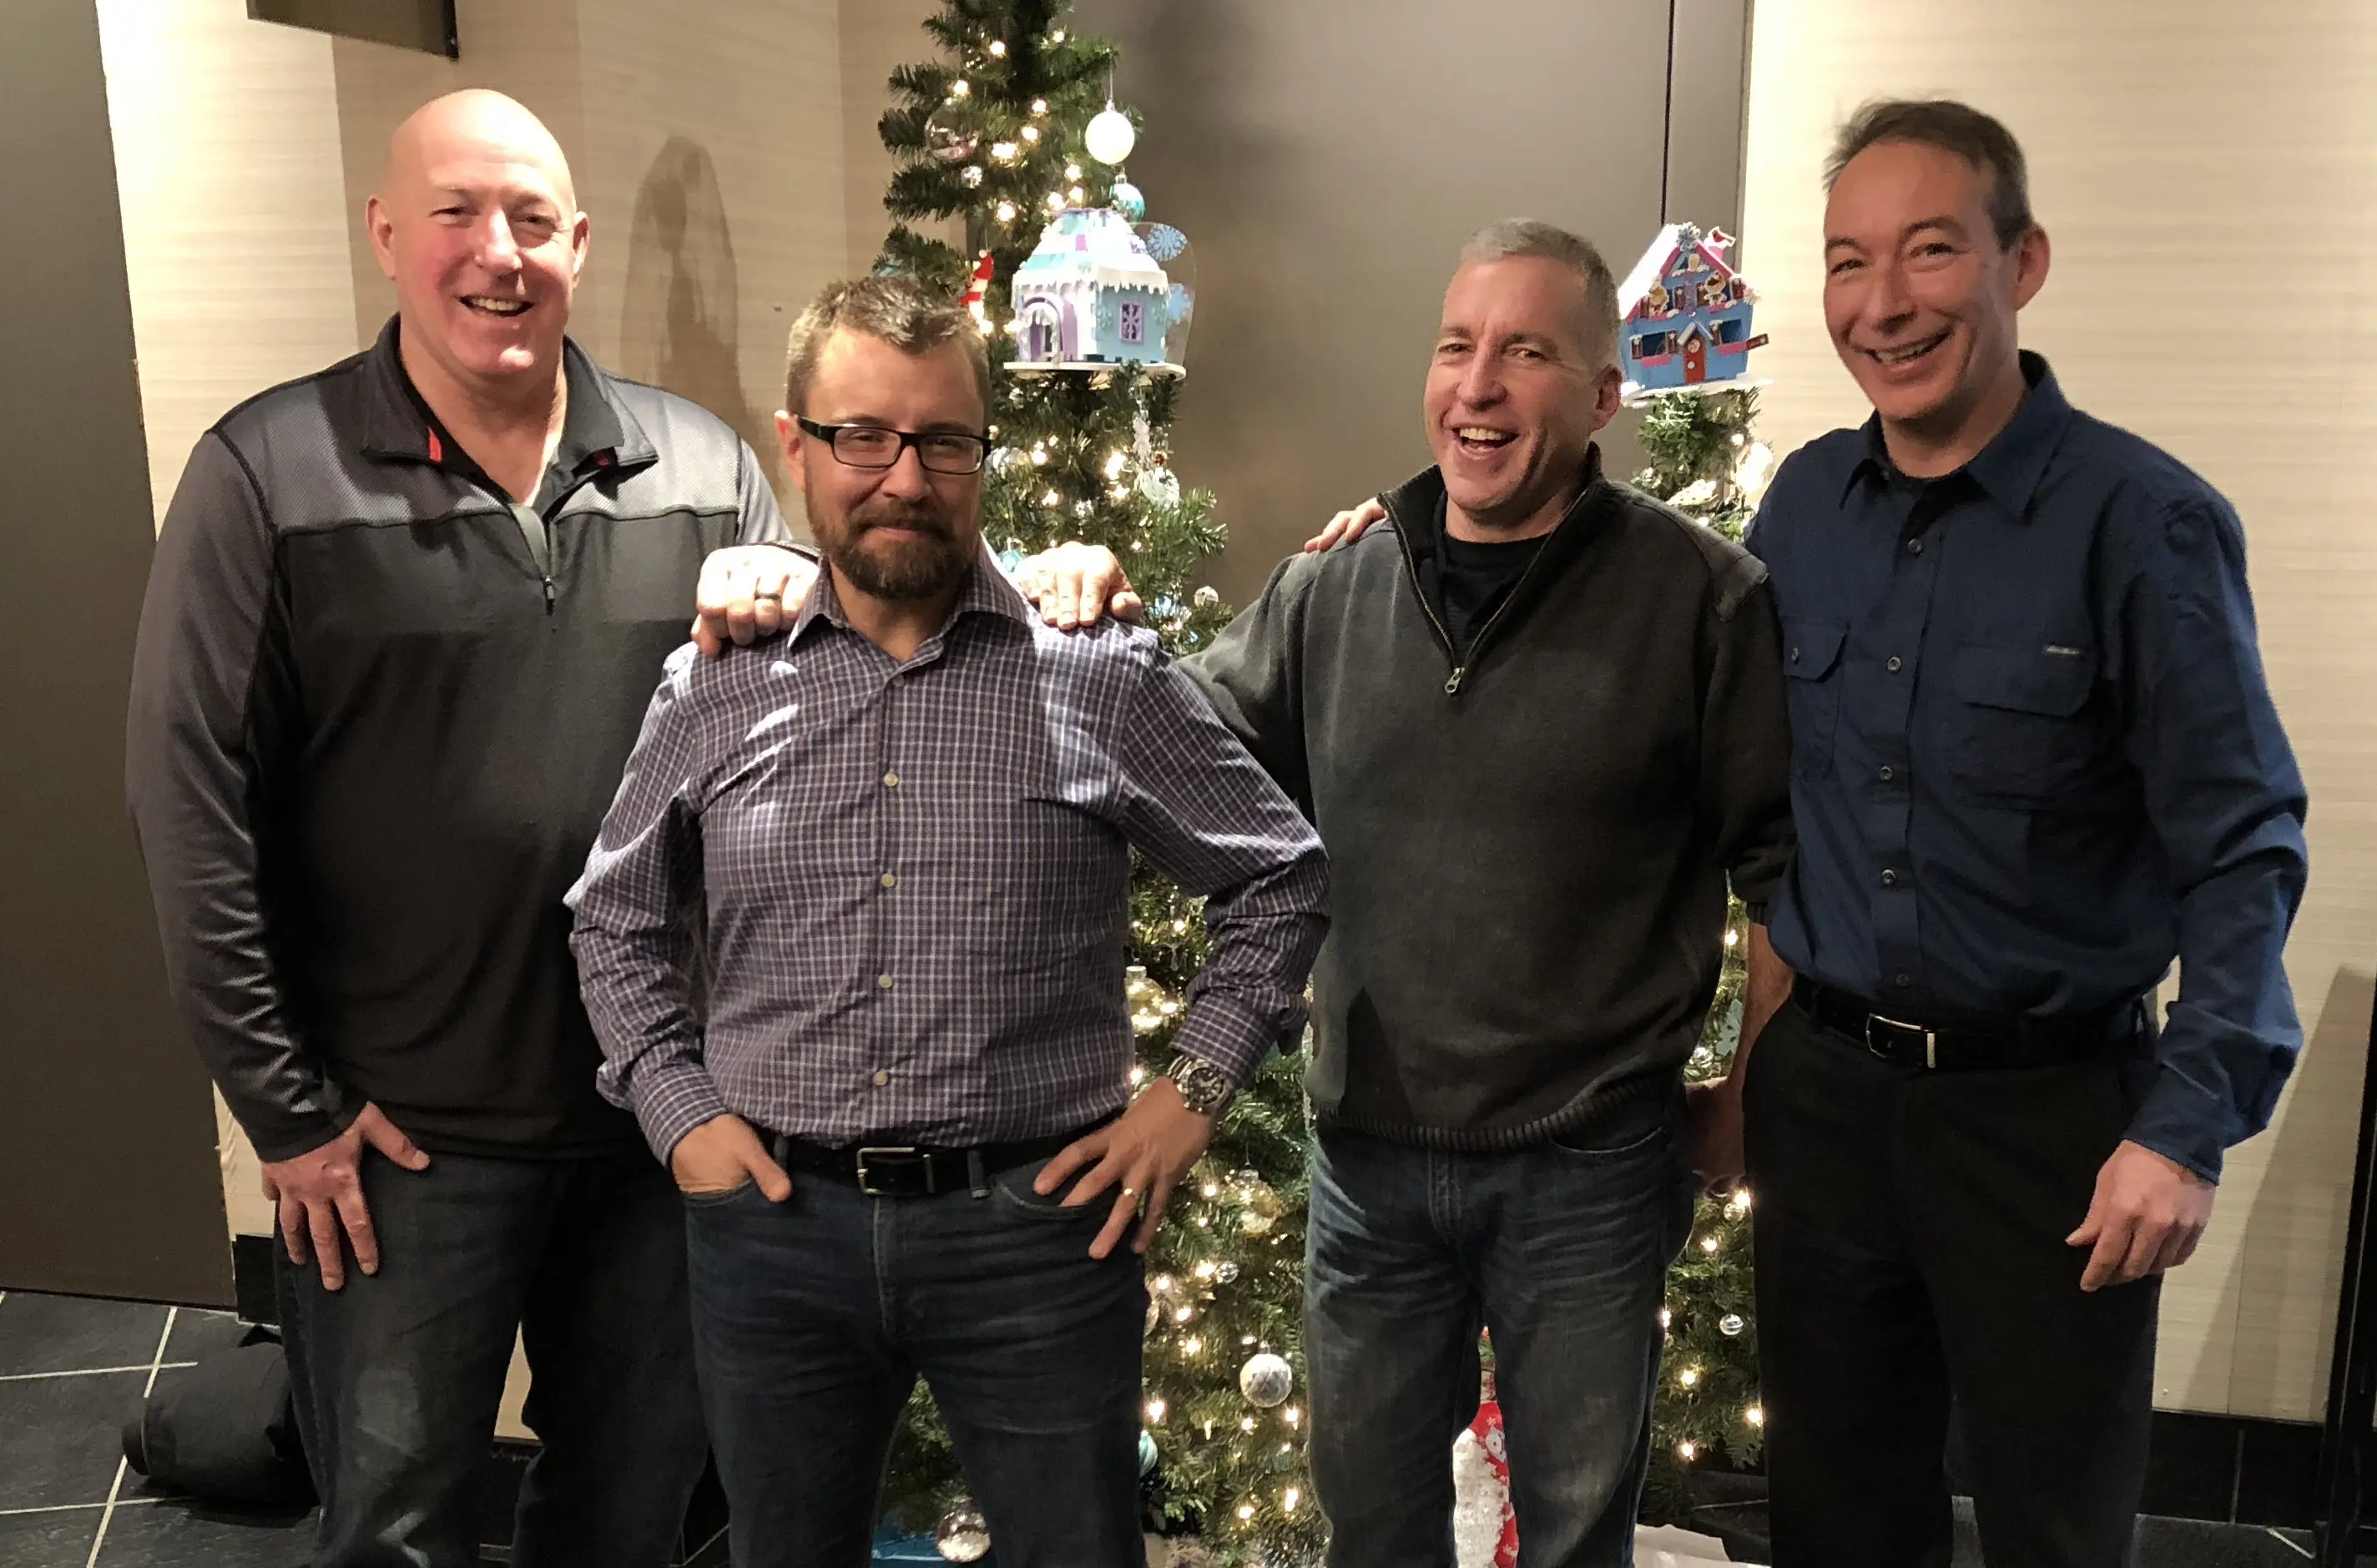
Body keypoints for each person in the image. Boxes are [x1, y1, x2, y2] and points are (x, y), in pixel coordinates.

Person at [694, 224, 1797, 1568]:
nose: (1479, 384)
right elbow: (1159, 753)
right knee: (1372, 1524)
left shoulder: (1702, 599)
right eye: (1456, 346)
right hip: (1372, 1165)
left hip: (1590, 1165)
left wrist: (1749, 1093)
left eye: (1527, 353)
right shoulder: (1338, 582)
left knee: (1575, 1533)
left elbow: (1781, 877)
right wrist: (1075, 587)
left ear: (1605, 393)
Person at [1311, 101, 2312, 1568]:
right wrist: (1404, 540)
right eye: (1849, 261)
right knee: (1838, 1518)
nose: (1883, 302)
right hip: (1829, 1109)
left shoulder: (2142, 524)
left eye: (1930, 251)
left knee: (2053, 1524)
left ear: (2022, 262)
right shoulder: (1805, 512)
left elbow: (2244, 845)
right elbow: (1758, 806)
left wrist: (2185, 1125)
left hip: (2048, 1119)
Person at [568, 273, 1329, 1568]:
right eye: (863, 435)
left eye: (944, 440)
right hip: (775, 1236)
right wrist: (678, 1111)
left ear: (985, 452)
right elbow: (614, 919)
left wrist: (1190, 1094)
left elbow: (1281, 877)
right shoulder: (714, 683)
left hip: (1036, 1233)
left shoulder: (1096, 671)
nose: (905, 477)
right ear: (796, 445)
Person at [125, 90, 790, 1568]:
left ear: (579, 244)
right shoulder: (265, 475)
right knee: (394, 1531)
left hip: (657, 1125)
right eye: (457, 213)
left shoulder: (707, 471)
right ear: (386, 234)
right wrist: (286, 1110)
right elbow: (189, 804)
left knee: (629, 1516)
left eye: (533, 219)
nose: (499, 252)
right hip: (394, 1151)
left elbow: (808, 747)